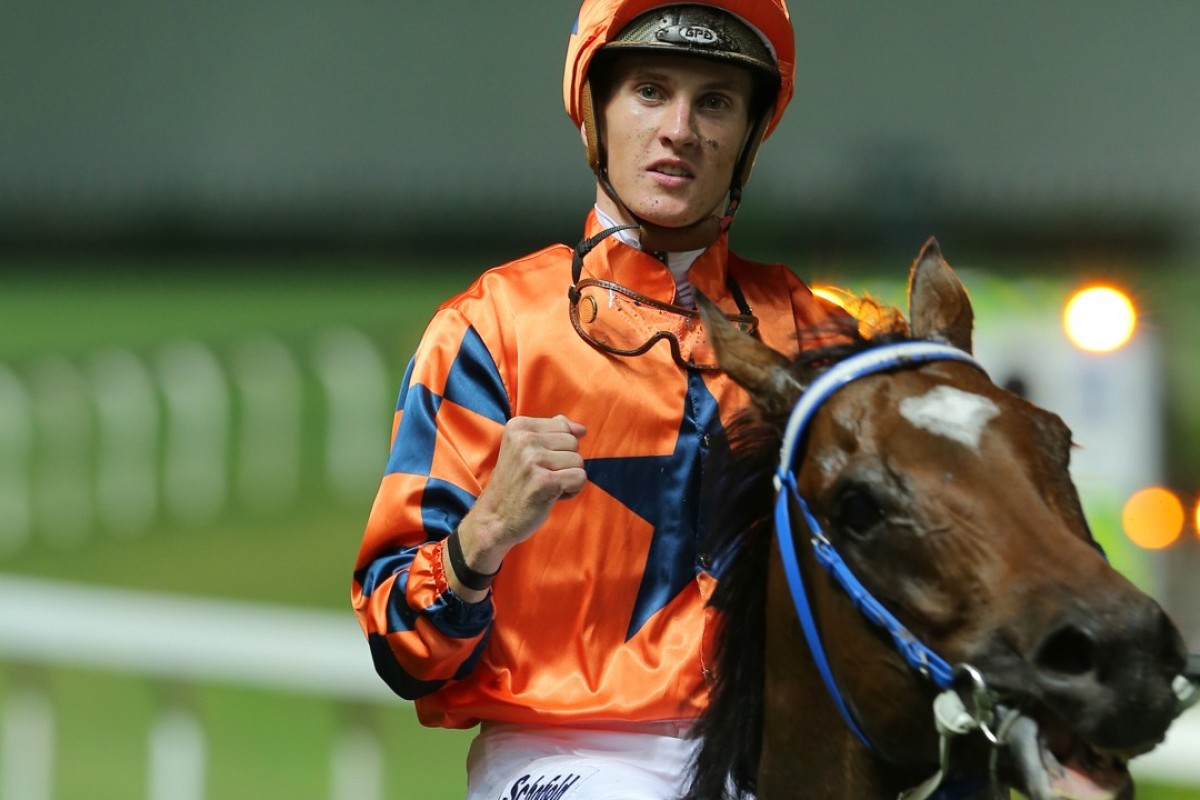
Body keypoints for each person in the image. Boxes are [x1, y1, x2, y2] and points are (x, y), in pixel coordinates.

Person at [351, 2, 846, 797]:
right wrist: (482, 537)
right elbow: (399, 647)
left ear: (750, 134)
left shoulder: (821, 339)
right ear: (596, 113)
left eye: (715, 101)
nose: (680, 128)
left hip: (778, 756)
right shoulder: (492, 327)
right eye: (650, 90)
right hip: (564, 756)